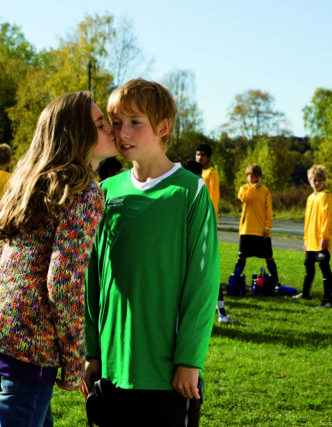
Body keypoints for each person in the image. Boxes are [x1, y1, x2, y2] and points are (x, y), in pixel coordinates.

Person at [0, 91, 117, 427]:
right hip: (31, 350)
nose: (110, 128)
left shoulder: (31, 185)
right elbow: (62, 283)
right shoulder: (84, 194)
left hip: (0, 336)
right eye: (100, 124)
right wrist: (74, 358)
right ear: (78, 135)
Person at [81, 79, 220, 427]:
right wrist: (92, 351)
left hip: (167, 374)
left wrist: (189, 360)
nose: (122, 132)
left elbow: (202, 284)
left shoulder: (189, 191)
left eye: (135, 122)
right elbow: (92, 280)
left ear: (163, 127)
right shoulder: (106, 192)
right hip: (111, 368)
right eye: (116, 122)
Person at [195, 143, 232, 324]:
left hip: (206, 221)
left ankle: (219, 311)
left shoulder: (211, 174)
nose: (199, 157)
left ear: (208, 157)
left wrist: (209, 218)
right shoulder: (193, 173)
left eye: (202, 155)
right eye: (197, 154)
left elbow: (212, 197)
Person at [233, 164, 282, 288]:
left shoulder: (265, 191)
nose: (254, 179)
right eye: (251, 177)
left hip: (261, 231)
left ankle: (276, 282)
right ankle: (235, 281)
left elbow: (268, 211)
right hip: (246, 230)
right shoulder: (243, 189)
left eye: (256, 177)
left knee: (269, 257)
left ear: (260, 177)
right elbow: (246, 198)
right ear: (247, 177)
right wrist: (254, 187)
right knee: (241, 257)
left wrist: (267, 227)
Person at [294, 164, 332, 307]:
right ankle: (306, 293)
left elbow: (327, 218)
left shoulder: (326, 196)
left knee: (324, 267)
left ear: (323, 180)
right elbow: (307, 221)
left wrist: (324, 237)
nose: (316, 183)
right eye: (314, 180)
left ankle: (328, 300)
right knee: (309, 267)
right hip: (311, 240)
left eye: (319, 180)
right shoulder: (310, 198)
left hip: (321, 240)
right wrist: (305, 240)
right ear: (309, 180)